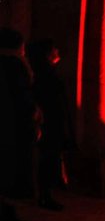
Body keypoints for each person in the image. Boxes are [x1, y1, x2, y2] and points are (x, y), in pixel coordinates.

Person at [26, 40, 71, 211]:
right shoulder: (45, 74)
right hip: (49, 122)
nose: (58, 51)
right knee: (47, 158)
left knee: (49, 158)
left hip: (51, 121)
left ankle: (46, 193)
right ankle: (44, 195)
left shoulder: (46, 71)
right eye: (54, 49)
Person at [1, 28, 36, 221]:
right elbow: (22, 95)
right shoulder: (16, 65)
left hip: (9, 121)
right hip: (12, 124)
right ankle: (7, 209)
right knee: (10, 166)